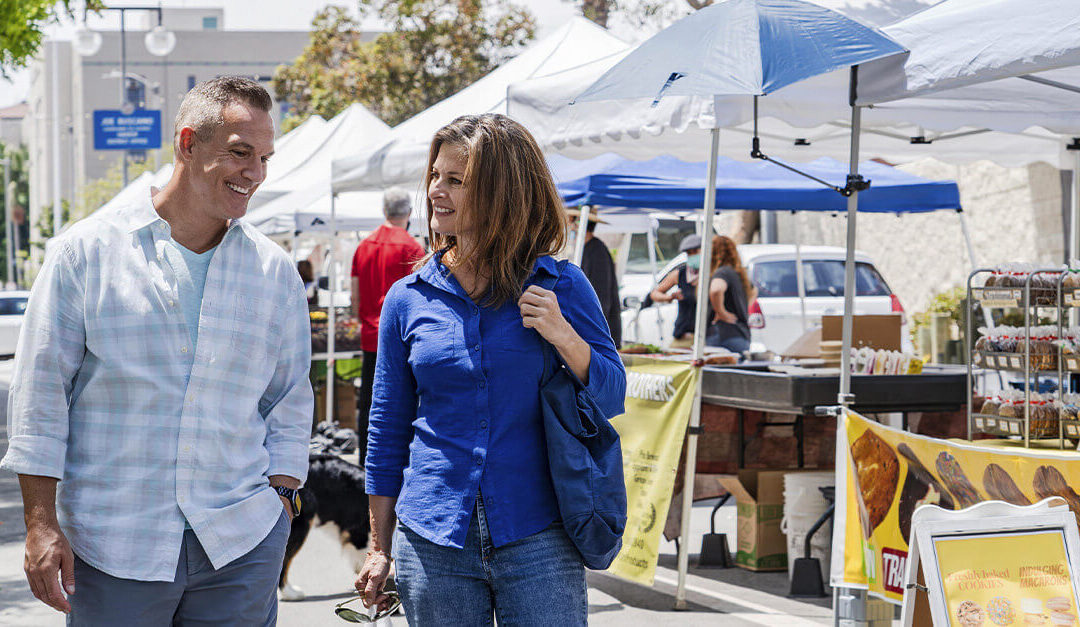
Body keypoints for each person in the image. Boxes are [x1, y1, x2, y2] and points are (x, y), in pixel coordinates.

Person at [0, 77, 313, 625]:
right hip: (113, 547)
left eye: (263, 157)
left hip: (240, 544)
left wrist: (282, 501)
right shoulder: (86, 254)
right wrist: (40, 524)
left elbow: (288, 395)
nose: (255, 173)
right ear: (187, 144)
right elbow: (40, 397)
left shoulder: (273, 271)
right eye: (240, 153)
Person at [354, 114, 626, 626]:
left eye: (456, 180)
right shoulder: (407, 298)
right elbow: (386, 430)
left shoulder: (562, 285)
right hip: (432, 540)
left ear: (503, 192)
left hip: (539, 533)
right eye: (436, 175)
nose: (436, 191)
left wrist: (564, 336)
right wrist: (378, 545)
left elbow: (612, 396)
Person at [349, 187, 424, 462]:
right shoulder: (413, 248)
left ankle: (365, 462)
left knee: (369, 403)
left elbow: (354, 295)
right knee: (401, 406)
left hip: (370, 336)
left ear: (384, 211)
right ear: (408, 213)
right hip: (401, 340)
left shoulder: (363, 246)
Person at [569, 209, 622, 348]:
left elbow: (601, 296)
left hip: (600, 334)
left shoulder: (597, 251)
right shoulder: (586, 249)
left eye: (572, 221)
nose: (569, 226)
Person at [649, 233, 702, 349]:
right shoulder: (680, 274)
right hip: (683, 336)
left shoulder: (713, 274)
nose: (692, 256)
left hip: (706, 337)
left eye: (695, 252)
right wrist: (669, 297)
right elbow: (655, 293)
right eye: (689, 253)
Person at [706, 235, 755, 355]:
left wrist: (721, 312)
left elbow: (716, 290)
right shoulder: (739, 275)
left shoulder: (722, 272)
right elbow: (754, 292)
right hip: (740, 334)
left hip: (722, 335)